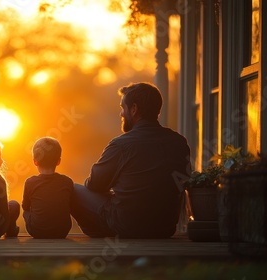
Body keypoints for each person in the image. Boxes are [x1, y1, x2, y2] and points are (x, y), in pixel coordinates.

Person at [71, 82, 191, 238]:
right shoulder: (179, 143)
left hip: (126, 226)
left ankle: (100, 233)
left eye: (123, 108)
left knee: (70, 188)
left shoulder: (121, 144)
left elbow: (95, 184)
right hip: (165, 228)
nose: (121, 114)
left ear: (134, 109)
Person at [22, 137, 74, 238]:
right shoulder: (67, 181)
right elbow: (71, 206)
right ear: (58, 161)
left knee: (26, 211)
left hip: (37, 232)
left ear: (35, 162)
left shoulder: (30, 182)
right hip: (62, 231)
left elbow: (25, 207)